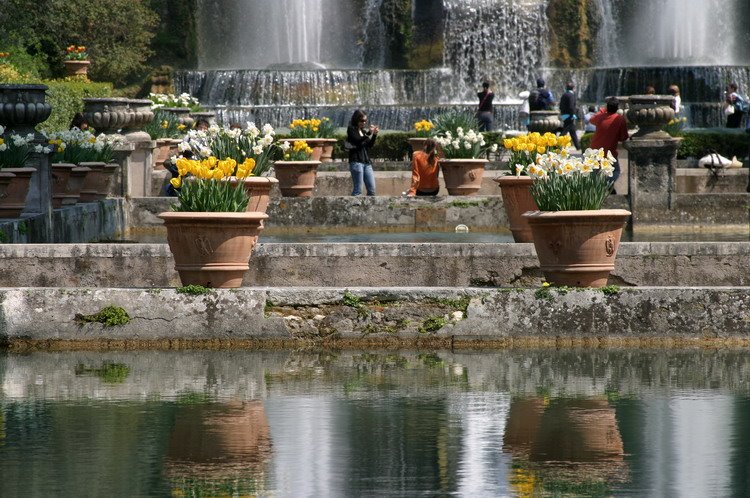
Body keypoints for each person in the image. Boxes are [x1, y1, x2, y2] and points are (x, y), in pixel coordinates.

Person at [590, 97, 629, 189]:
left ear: (607, 107)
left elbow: (591, 119)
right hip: (609, 152)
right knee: (616, 171)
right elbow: (624, 137)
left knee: (594, 173)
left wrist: (603, 110)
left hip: (595, 149)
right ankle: (605, 185)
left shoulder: (600, 117)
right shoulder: (619, 119)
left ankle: (594, 192)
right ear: (617, 108)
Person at [347, 109, 379, 196]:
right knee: (358, 190)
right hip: (356, 162)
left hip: (367, 163)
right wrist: (369, 133)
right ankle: (354, 207)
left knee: (372, 190)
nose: (364, 123)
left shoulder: (363, 132)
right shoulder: (351, 129)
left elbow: (370, 145)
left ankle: (369, 209)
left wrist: (374, 135)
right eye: (362, 121)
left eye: (365, 121)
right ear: (356, 119)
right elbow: (357, 141)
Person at [558, 82, 580, 150]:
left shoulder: (564, 94)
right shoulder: (571, 95)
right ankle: (558, 143)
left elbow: (560, 106)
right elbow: (571, 106)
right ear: (573, 88)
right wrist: (573, 114)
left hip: (564, 115)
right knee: (565, 131)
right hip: (569, 115)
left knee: (572, 131)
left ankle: (578, 146)